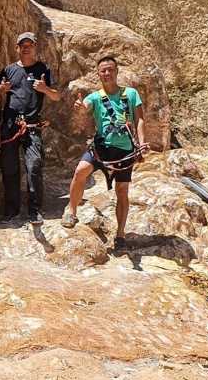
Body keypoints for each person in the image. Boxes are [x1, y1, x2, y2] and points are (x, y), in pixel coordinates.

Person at [61, 55, 148, 252]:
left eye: (110, 69)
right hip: (101, 148)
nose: (107, 73)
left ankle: (120, 235)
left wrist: (141, 144)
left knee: (122, 191)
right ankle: (71, 210)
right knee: (80, 171)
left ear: (116, 72)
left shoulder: (131, 94)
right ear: (98, 74)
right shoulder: (96, 97)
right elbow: (85, 108)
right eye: (103, 70)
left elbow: (140, 120)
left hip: (124, 151)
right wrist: (81, 108)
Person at [0, 31, 60, 225]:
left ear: (35, 46)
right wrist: (1, 90)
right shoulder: (8, 70)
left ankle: (34, 211)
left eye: (29, 44)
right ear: (17, 48)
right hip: (10, 125)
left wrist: (45, 89)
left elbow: (57, 96)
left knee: (34, 166)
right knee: (9, 168)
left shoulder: (43, 69)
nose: (26, 47)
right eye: (22, 44)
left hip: (32, 126)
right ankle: (11, 210)